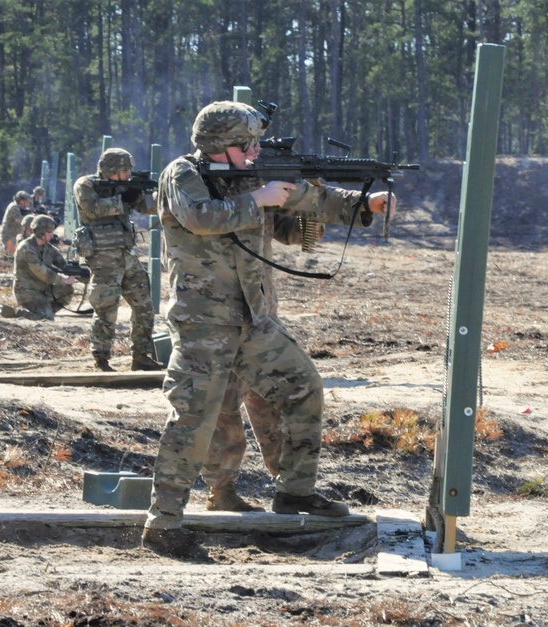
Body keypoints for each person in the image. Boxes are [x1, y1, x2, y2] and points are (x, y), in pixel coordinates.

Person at [144, 101, 398, 553]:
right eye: (250, 145)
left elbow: (306, 214)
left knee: (304, 388)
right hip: (204, 325)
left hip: (255, 321)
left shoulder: (254, 178)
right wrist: (258, 200)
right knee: (193, 418)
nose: (258, 152)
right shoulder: (181, 175)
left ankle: (294, 492)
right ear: (225, 146)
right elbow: (200, 217)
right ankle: (163, 525)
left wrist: (364, 204)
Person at [203, 215, 325, 512]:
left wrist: (310, 201)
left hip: (261, 319)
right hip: (214, 319)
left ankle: (292, 491)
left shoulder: (265, 188)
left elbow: (301, 236)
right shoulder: (200, 182)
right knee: (222, 408)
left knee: (276, 405)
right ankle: (221, 492)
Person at [72, 148, 162, 372]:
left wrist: (150, 192)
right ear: (111, 169)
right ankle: (101, 359)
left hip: (126, 254)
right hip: (103, 256)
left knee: (144, 305)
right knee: (106, 308)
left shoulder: (127, 186)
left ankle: (141, 355)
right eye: (124, 170)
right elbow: (92, 209)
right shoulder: (86, 185)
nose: (128, 174)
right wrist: (122, 198)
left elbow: (149, 208)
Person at [3, 215, 76, 320]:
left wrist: (78, 271)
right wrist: (63, 280)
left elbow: (63, 265)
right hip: (27, 292)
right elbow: (41, 271)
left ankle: (44, 311)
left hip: (42, 290)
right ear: (41, 233)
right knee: (46, 317)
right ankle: (19, 313)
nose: (52, 236)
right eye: (49, 233)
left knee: (67, 290)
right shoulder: (26, 248)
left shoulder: (48, 248)